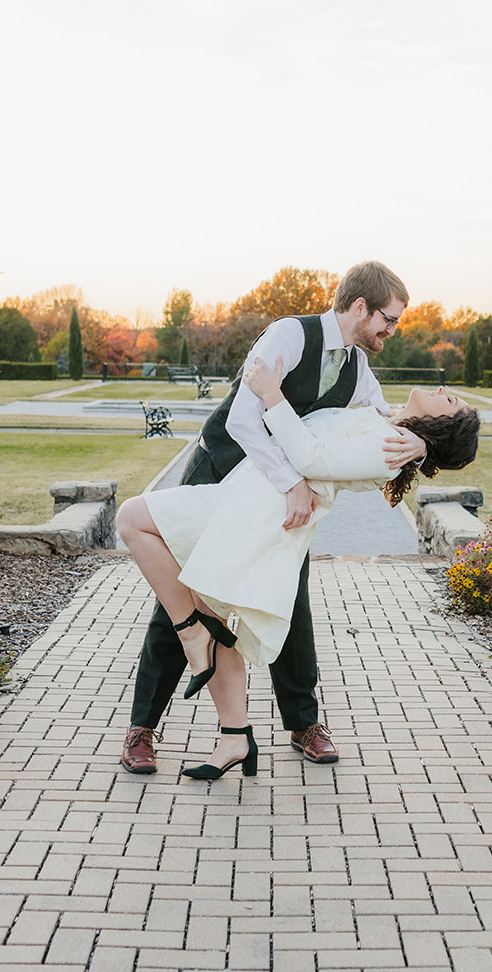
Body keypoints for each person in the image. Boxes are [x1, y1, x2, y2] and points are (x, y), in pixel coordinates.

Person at [116, 358, 480, 779]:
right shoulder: (381, 414)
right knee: (214, 613)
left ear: (442, 425)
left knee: (135, 522)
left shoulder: (389, 447)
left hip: (259, 511)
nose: (440, 390)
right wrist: (420, 445)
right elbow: (369, 410)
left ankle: (193, 634)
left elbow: (310, 456)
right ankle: (234, 736)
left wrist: (272, 392)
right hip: (241, 491)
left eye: (448, 399)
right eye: (387, 319)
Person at [121, 261, 417, 775]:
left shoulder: (357, 368)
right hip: (222, 471)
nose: (391, 331)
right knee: (186, 589)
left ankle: (303, 723)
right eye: (389, 320)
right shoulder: (288, 335)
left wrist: (417, 440)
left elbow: (382, 416)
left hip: (275, 494)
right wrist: (292, 482)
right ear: (360, 307)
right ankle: (143, 727)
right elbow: (242, 420)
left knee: (288, 595)